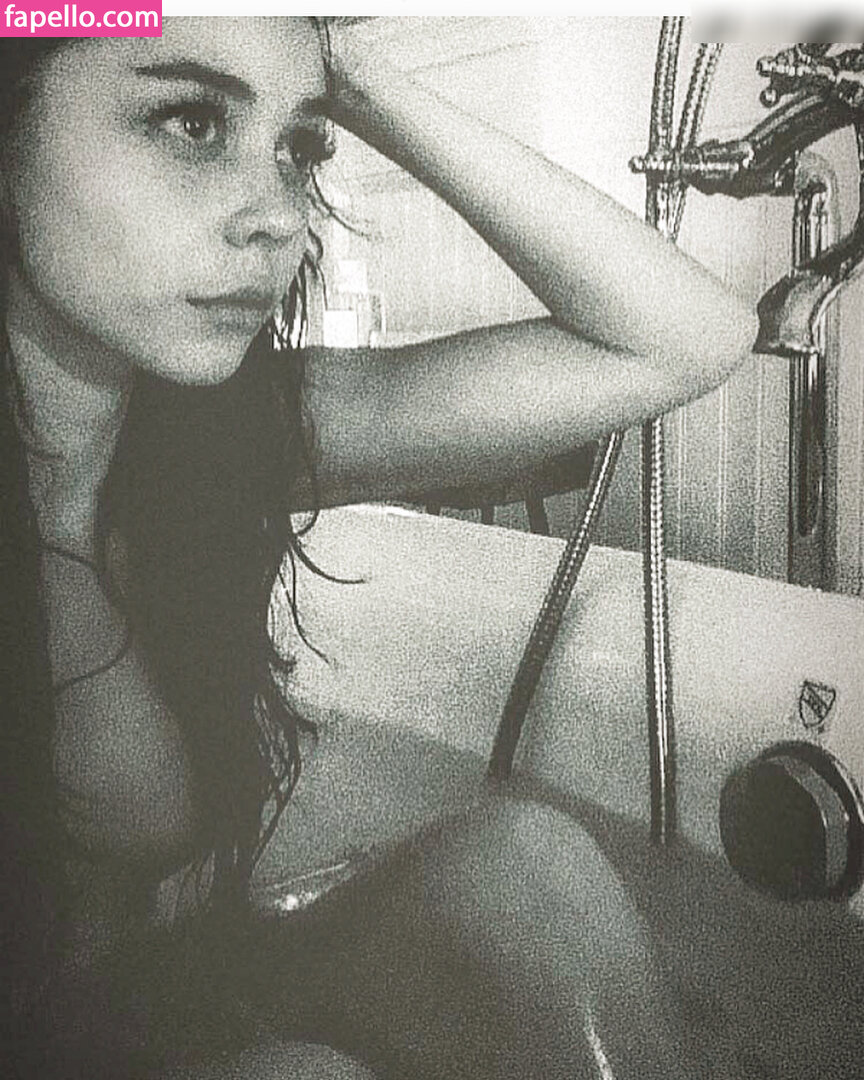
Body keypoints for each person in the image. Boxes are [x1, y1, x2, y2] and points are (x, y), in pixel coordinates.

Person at [0, 16, 759, 1079]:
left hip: (171, 989)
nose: (281, 217)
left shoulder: (227, 435)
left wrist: (344, 68)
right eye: (191, 121)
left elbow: (687, 338)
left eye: (299, 146)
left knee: (526, 870)